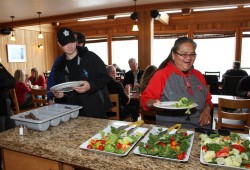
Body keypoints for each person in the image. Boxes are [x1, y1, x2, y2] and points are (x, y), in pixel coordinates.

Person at [141, 37, 213, 129]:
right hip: (171, 131)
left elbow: (208, 101)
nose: (188, 58)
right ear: (173, 55)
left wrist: (206, 110)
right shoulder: (162, 75)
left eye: (192, 54)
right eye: (184, 54)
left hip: (201, 129)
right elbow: (145, 100)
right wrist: (153, 102)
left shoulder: (199, 75)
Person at [53, 27, 112, 118]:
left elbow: (105, 78)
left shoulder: (90, 57)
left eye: (72, 41)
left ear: (76, 41)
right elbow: (64, 96)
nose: (70, 46)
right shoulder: (59, 68)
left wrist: (90, 85)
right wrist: (60, 96)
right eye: (65, 43)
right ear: (59, 44)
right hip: (73, 114)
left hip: (96, 110)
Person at [47, 31, 86, 104]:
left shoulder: (88, 58)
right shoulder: (60, 60)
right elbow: (52, 78)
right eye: (67, 43)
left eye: (73, 42)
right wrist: (50, 97)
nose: (70, 46)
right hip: (67, 102)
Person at [0, 63, 16, 170]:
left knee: (11, 133)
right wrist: (5, 83)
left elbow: (12, 80)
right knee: (1, 136)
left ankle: (10, 162)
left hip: (6, 102)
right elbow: (7, 82)